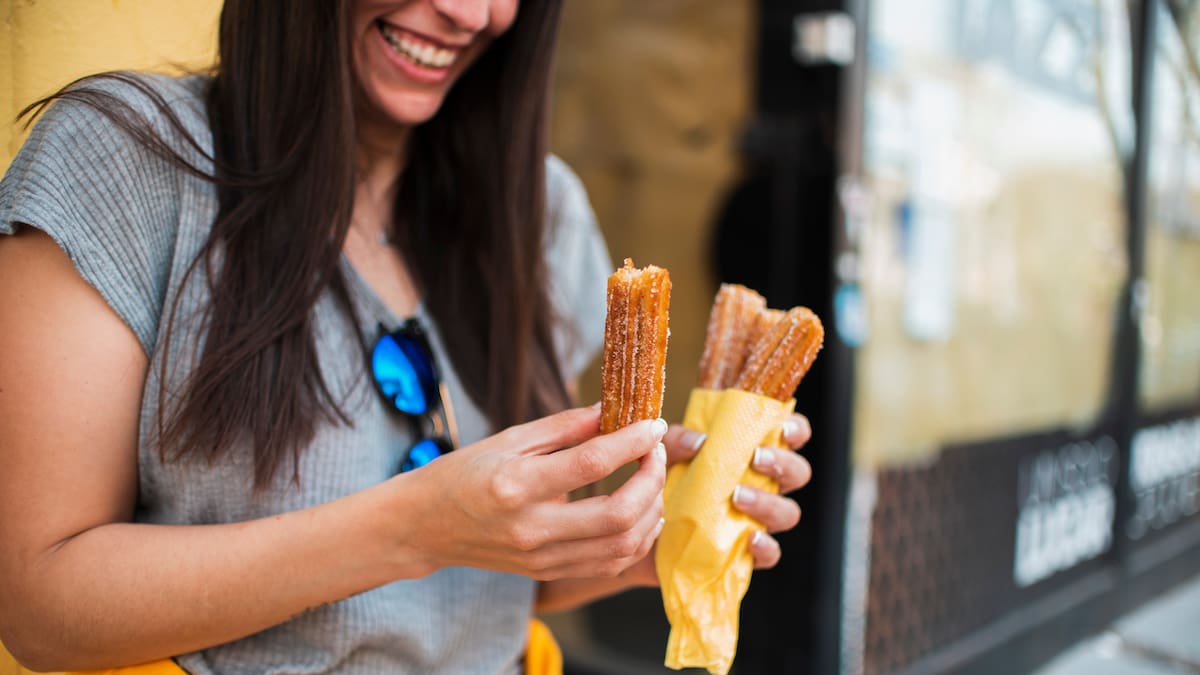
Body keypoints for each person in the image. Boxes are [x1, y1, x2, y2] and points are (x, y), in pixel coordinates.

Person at [0, 1, 814, 673]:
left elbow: (490, 583)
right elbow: (39, 606)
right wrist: (409, 528)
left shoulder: (542, 213)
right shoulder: (126, 160)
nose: (468, 12)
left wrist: (634, 540)